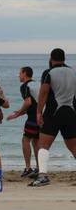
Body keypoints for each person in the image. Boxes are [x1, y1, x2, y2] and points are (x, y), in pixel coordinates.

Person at [29, 48, 76, 187]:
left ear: (51, 58)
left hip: (53, 113)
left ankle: (43, 176)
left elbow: (43, 93)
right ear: (64, 58)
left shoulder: (48, 72)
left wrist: (38, 112)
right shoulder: (73, 71)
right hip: (71, 113)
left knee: (43, 145)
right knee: (74, 147)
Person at [7, 67, 39, 177]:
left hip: (33, 118)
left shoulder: (25, 86)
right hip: (42, 117)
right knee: (36, 142)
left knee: (25, 140)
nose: (18, 75)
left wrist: (18, 112)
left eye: (19, 73)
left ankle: (28, 167)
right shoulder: (37, 84)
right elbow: (35, 103)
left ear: (24, 74)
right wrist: (20, 113)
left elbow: (28, 102)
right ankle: (39, 168)